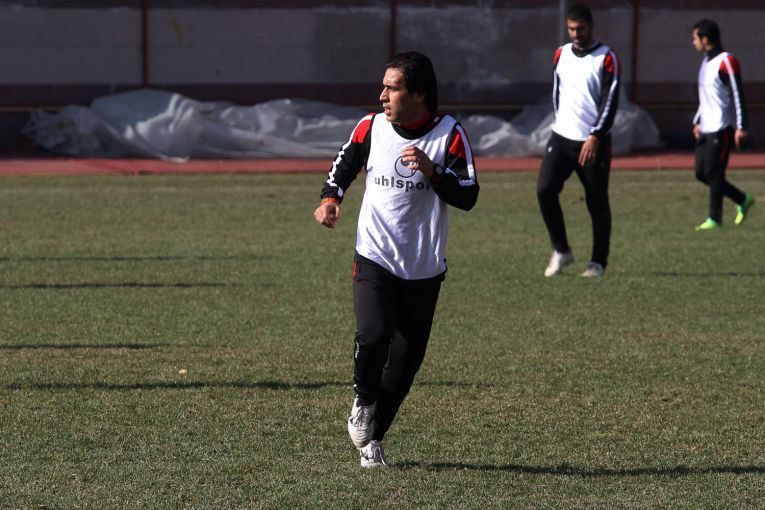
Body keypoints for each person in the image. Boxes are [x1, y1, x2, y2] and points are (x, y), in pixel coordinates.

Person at [313, 51, 479, 468]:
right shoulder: (371, 126)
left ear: (419, 94)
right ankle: (363, 400)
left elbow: (469, 195)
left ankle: (373, 439)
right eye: (384, 87)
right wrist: (331, 198)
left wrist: (434, 172)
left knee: (405, 364)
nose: (382, 95)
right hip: (374, 255)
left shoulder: (449, 135)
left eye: (393, 88)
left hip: (423, 267)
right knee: (374, 334)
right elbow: (344, 164)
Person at [536, 4, 620, 278]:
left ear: (591, 26)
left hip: (593, 144)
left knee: (596, 201)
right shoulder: (561, 54)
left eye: (580, 28)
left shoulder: (606, 58)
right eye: (571, 29)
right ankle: (561, 250)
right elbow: (557, 92)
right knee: (544, 190)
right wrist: (561, 123)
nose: (575, 34)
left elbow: (610, 101)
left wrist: (595, 135)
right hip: (561, 138)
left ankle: (598, 262)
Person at [691, 18, 755, 231]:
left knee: (714, 172)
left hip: (722, 127)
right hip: (706, 127)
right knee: (701, 172)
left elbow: (737, 93)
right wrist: (698, 121)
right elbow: (706, 97)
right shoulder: (705, 63)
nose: (693, 43)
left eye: (695, 38)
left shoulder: (726, 61)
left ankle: (714, 218)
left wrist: (741, 126)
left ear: (705, 39)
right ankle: (742, 199)